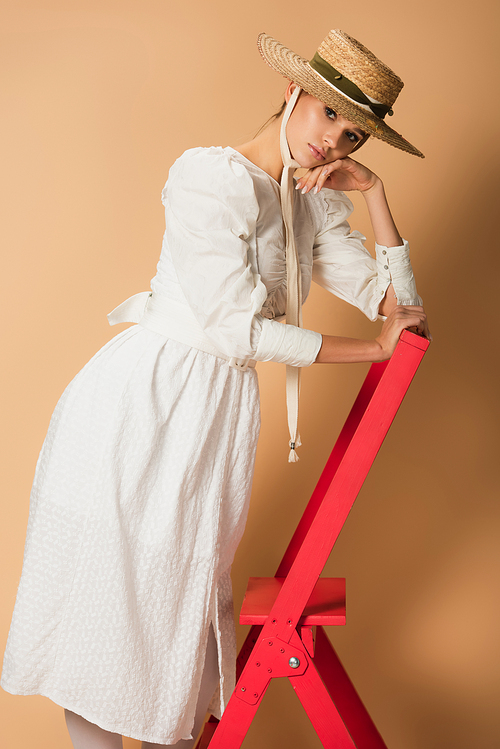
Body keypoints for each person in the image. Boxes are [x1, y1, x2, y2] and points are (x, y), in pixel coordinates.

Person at [1, 28, 429, 749]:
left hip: (212, 417)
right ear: (293, 93)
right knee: (109, 616)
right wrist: (370, 350)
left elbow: (403, 311)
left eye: (355, 136)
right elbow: (236, 331)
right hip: (146, 404)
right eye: (329, 116)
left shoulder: (310, 204)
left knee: (170, 618)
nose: (336, 143)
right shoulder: (212, 178)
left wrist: (378, 197)